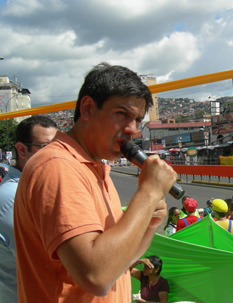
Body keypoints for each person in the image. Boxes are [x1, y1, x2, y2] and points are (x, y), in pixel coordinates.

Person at [13, 63, 178, 302]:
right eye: (122, 114)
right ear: (88, 108)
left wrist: (150, 222)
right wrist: (149, 192)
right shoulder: (57, 166)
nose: (132, 129)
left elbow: (119, 261)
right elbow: (97, 276)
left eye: (138, 120)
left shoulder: (95, 169)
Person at [0, 116, 57, 302]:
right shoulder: (15, 197)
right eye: (47, 148)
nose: (57, 155)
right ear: (22, 150)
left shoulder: (30, 189)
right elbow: (53, 264)